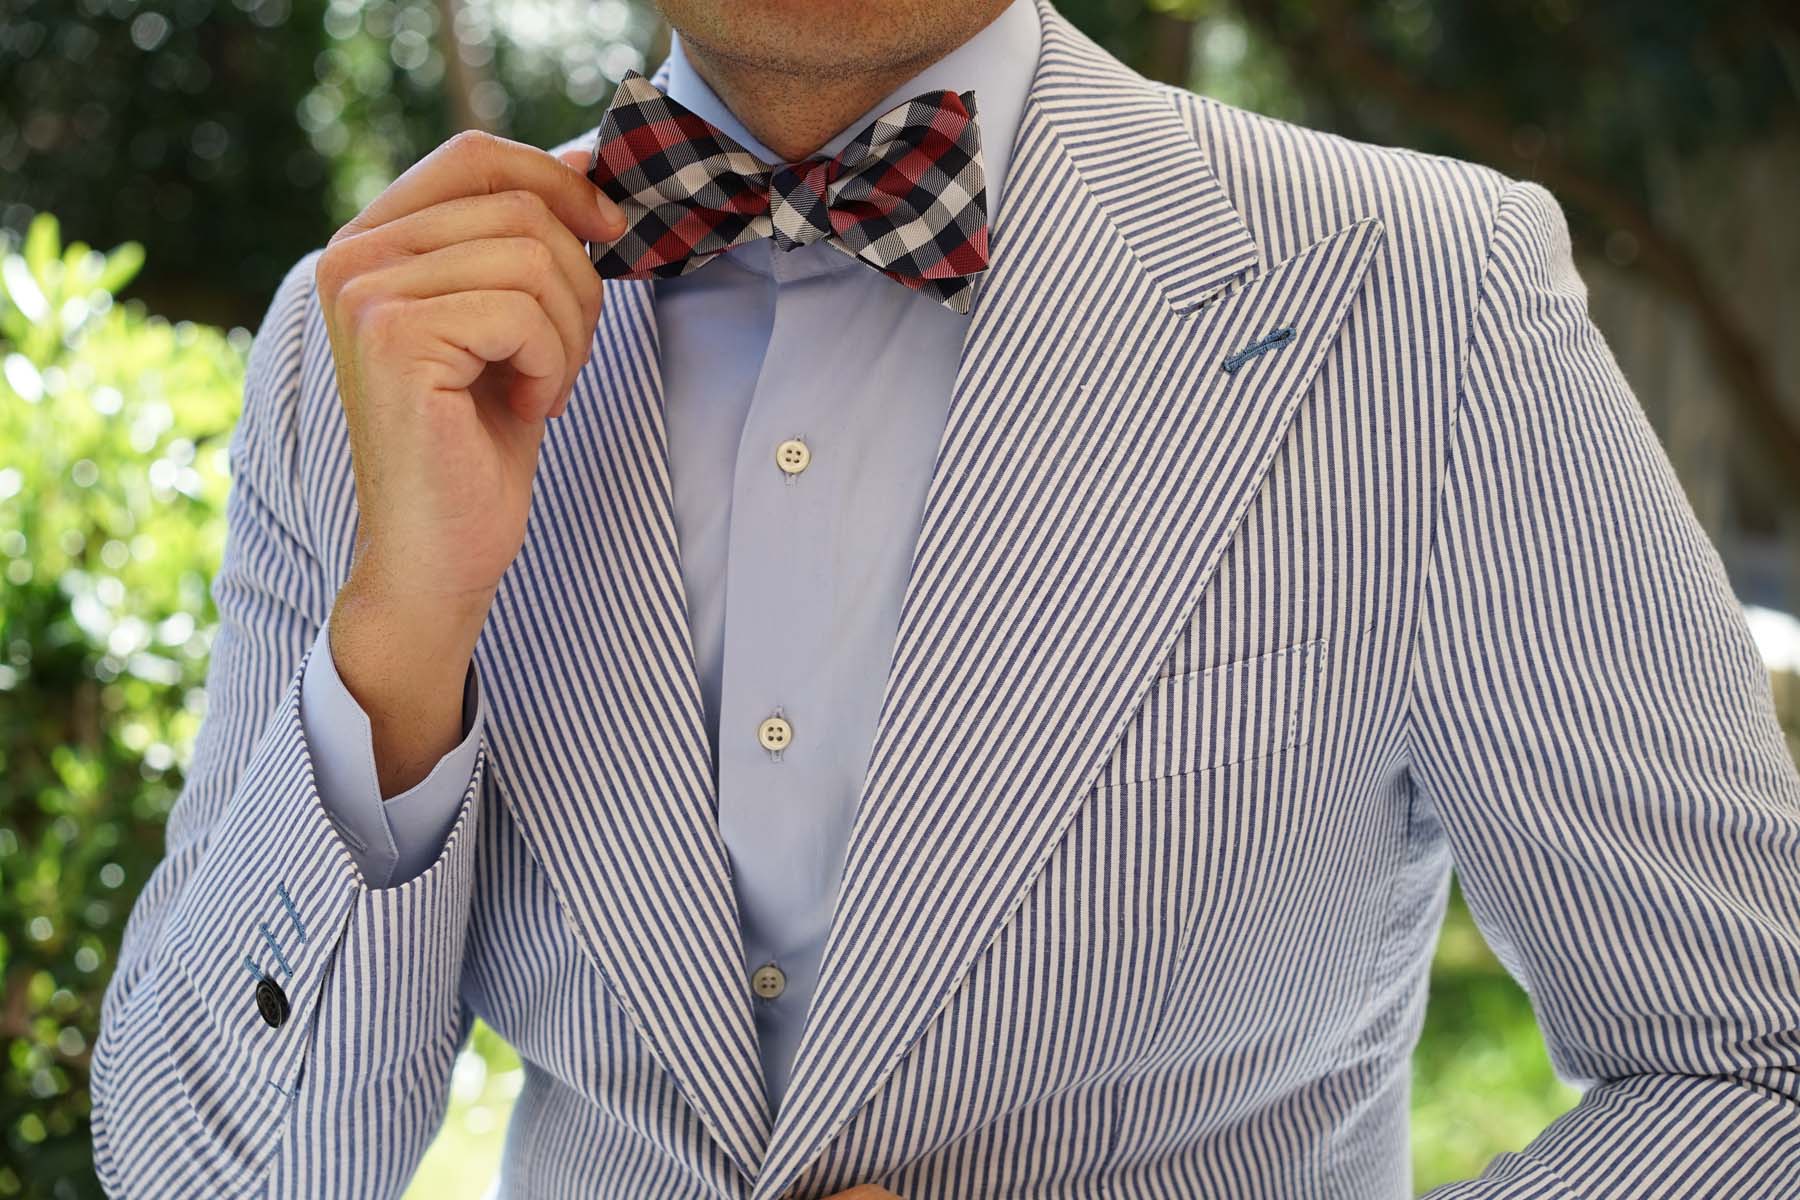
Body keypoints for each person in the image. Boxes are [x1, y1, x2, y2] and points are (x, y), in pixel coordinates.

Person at [91, 0, 1800, 1195]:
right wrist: (408, 631)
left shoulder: (1421, 301)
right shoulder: (375, 337)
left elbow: (1755, 1075)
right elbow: (212, 1170)